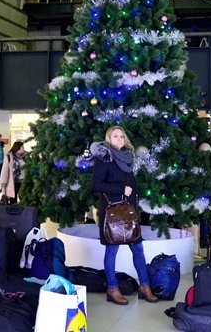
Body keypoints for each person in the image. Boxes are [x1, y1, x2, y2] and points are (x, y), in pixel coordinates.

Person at [91, 126, 158, 305]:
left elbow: (132, 186)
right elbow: (96, 185)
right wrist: (121, 190)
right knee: (112, 251)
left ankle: (145, 286)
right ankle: (112, 288)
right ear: (108, 139)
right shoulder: (104, 158)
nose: (119, 139)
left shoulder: (127, 158)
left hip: (128, 212)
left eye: (121, 136)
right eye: (115, 136)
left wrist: (134, 203)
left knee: (138, 249)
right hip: (112, 213)